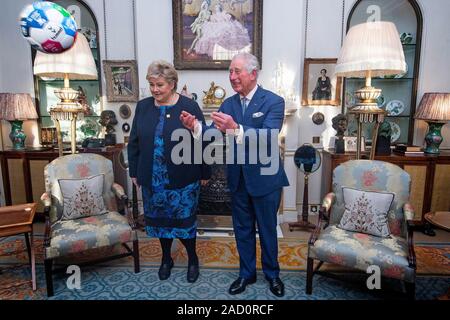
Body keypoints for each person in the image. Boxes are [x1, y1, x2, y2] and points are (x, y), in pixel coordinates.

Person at [180, 53, 289, 297]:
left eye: (237, 71)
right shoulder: (228, 104)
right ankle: (246, 274)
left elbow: (269, 137)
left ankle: (273, 275)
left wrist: (236, 128)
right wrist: (195, 127)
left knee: (268, 229)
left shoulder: (274, 101)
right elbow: (212, 135)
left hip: (266, 179)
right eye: (230, 72)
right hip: (238, 179)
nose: (232, 77)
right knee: (242, 230)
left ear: (253, 73)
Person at [128, 60, 211, 283]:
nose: (155, 90)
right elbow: (134, 141)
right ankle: (166, 259)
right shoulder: (143, 106)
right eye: (152, 84)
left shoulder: (189, 106)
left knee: (185, 223)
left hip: (183, 177)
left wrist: (205, 172)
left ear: (172, 84)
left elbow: (204, 140)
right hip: (152, 178)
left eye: (160, 85)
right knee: (159, 222)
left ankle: (192, 259)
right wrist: (134, 171)